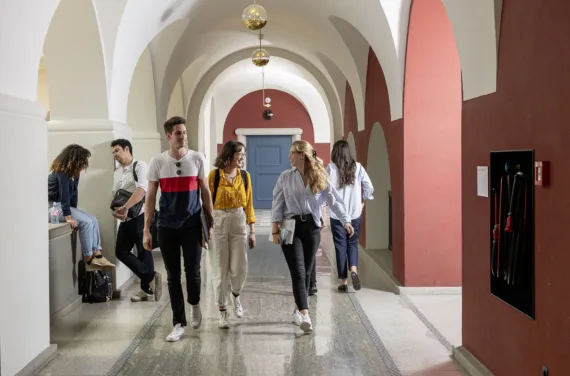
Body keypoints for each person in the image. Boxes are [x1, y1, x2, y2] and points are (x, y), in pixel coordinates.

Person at [143, 116, 214, 343]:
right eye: (178, 133)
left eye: (184, 132)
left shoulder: (197, 158)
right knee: (172, 277)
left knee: (192, 272)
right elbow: (151, 196)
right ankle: (178, 323)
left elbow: (205, 191)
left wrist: (209, 223)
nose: (183, 136)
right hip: (166, 226)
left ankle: (194, 304)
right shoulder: (158, 161)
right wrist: (146, 229)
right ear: (168, 136)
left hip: (192, 225)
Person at [271, 140, 354, 334]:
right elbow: (277, 203)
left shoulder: (320, 175)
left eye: (292, 153)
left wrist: (346, 220)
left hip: (312, 227)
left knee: (307, 272)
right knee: (298, 272)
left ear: (303, 155)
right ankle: (306, 314)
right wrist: (275, 230)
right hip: (287, 226)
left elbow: (334, 201)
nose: (289, 156)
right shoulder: (285, 177)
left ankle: (297, 309)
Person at [208, 140, 256, 329]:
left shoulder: (245, 176)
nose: (242, 158)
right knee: (220, 268)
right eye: (239, 155)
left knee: (239, 267)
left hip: (238, 218)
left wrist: (252, 230)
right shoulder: (214, 176)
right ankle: (222, 311)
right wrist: (207, 228)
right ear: (229, 155)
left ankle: (236, 295)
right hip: (219, 220)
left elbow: (249, 203)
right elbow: (206, 203)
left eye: (243, 155)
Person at [48, 144, 115, 271]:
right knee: (86, 222)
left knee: (93, 219)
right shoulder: (61, 172)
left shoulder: (74, 174)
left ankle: (98, 255)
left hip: (62, 207)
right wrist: (69, 217)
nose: (84, 165)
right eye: (83, 161)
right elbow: (64, 196)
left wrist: (75, 212)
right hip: (52, 208)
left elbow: (73, 195)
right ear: (74, 160)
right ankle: (88, 259)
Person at [111, 139, 162, 303]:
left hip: (140, 216)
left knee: (143, 252)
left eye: (117, 150)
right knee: (121, 251)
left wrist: (125, 207)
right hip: (125, 219)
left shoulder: (140, 166)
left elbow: (142, 189)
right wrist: (117, 211)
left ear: (127, 149)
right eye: (113, 152)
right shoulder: (117, 172)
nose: (115, 155)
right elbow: (115, 194)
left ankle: (146, 290)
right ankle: (151, 277)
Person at [327, 140, 374, 291]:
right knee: (353, 243)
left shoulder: (331, 168)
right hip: (355, 213)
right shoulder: (358, 167)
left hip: (337, 215)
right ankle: (354, 270)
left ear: (335, 152)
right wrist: (363, 201)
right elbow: (369, 186)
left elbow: (325, 189)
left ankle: (343, 282)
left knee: (340, 247)